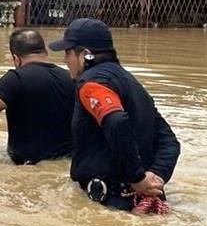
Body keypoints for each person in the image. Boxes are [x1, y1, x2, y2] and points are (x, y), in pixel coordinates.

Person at [49, 18, 181, 213]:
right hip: (142, 204)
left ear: (85, 55)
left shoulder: (91, 84)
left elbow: (116, 122)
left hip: (107, 205)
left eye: (68, 52)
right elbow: (170, 142)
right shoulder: (133, 85)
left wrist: (137, 178)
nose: (65, 60)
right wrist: (155, 179)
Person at [0, 29, 74, 165]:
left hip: (28, 165)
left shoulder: (16, 78)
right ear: (45, 52)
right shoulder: (71, 77)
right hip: (68, 161)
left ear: (16, 59)